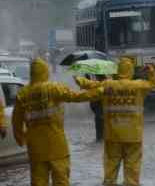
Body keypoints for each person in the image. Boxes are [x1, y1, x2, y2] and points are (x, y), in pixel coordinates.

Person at [12, 58, 104, 186]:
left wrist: (20, 138)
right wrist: (99, 92)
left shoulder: (23, 93)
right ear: (46, 71)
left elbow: (16, 121)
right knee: (61, 181)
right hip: (57, 146)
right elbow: (78, 97)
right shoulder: (54, 88)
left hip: (36, 148)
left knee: (38, 182)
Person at [74, 57, 155, 186]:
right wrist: (151, 71)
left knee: (111, 168)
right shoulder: (138, 85)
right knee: (132, 169)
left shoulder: (108, 85)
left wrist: (79, 79)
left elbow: (91, 85)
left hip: (112, 135)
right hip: (133, 135)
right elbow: (153, 83)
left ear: (117, 70)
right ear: (130, 71)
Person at [89, 74, 107, 142]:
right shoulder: (110, 85)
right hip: (108, 115)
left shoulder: (96, 87)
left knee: (99, 137)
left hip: (99, 115)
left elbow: (92, 103)